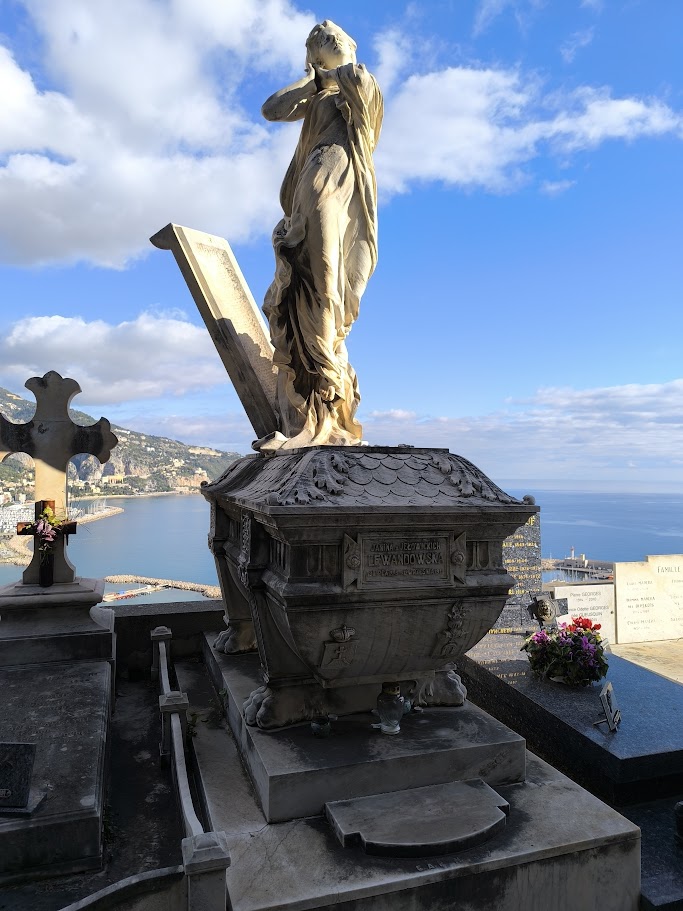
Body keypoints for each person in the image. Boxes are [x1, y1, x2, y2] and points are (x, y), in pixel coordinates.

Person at [259, 20, 383, 449]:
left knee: (342, 281)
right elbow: (272, 109)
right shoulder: (318, 92)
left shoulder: (360, 82)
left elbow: (360, 84)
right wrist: (312, 80)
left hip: (347, 179)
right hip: (317, 177)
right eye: (318, 39)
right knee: (318, 275)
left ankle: (329, 391)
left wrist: (331, 72)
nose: (327, 33)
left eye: (332, 35)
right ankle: (316, 404)